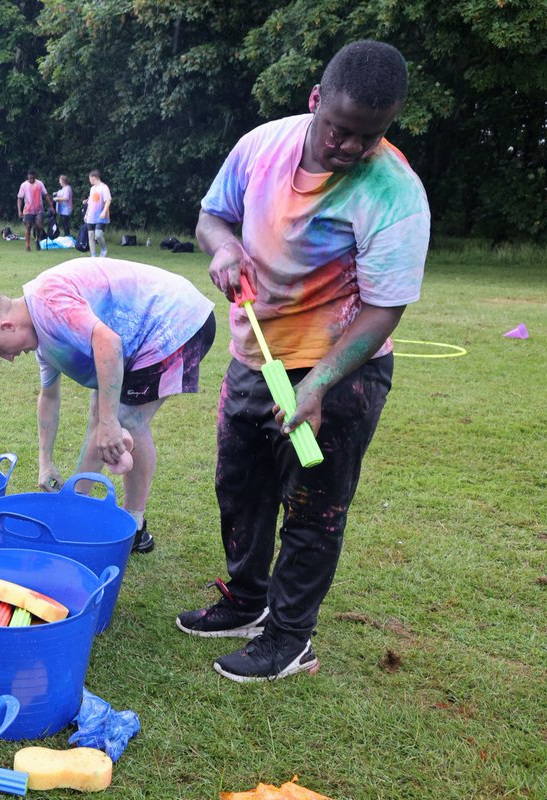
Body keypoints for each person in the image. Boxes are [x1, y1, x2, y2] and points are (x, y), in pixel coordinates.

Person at [177, 40, 430, 683]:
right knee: (240, 487)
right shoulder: (262, 146)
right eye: (340, 129)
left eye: (367, 137)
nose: (348, 147)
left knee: (314, 505)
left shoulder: (395, 191)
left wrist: (318, 385)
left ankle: (290, 639)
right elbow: (211, 215)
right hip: (255, 352)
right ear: (316, 100)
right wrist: (225, 247)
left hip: (340, 366)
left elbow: (383, 310)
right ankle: (245, 602)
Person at [0, 258, 215, 554]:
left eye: (2, 351)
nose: (9, 358)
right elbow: (49, 398)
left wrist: (110, 423)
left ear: (7, 326)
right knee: (104, 413)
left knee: (125, 418)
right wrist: (45, 462)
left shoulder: (48, 303)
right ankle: (72, 511)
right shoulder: (43, 341)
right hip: (140, 335)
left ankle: (134, 527)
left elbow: (108, 342)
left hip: (175, 319)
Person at [17, 170, 50, 252]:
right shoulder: (24, 185)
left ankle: (37, 240)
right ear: (28, 177)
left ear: (35, 177)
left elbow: (45, 195)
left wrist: (51, 206)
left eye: (33, 178)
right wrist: (19, 210)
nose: (31, 180)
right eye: (30, 178)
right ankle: (27, 245)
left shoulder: (39, 184)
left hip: (39, 209)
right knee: (28, 227)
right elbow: (20, 198)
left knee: (39, 225)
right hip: (28, 210)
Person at [84, 170, 111, 258]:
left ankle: (104, 249)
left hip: (100, 216)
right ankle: (93, 255)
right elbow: (90, 203)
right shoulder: (92, 189)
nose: (89, 180)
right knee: (90, 235)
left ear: (94, 177)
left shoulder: (104, 187)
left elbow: (108, 200)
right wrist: (86, 214)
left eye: (90, 178)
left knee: (98, 235)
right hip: (91, 216)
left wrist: (104, 211)